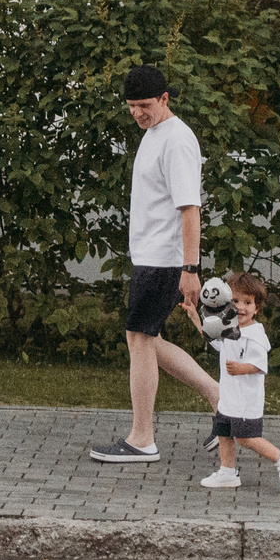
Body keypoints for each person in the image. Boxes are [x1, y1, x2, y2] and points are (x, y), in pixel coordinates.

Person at [88, 64, 219, 464]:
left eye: (145, 105)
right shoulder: (154, 134)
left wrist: (190, 270)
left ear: (165, 98)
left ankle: (142, 438)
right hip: (151, 257)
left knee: (139, 340)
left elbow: (190, 210)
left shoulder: (176, 141)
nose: (138, 113)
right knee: (149, 339)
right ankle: (221, 398)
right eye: (131, 107)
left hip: (165, 261)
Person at [189, 272, 280, 491]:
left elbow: (260, 365)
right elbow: (212, 339)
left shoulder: (255, 334)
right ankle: (227, 472)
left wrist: (241, 369)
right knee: (223, 432)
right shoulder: (230, 329)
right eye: (235, 301)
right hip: (229, 398)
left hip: (245, 401)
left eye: (247, 303)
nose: (240, 307)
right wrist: (195, 316)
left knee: (245, 438)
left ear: (257, 308)